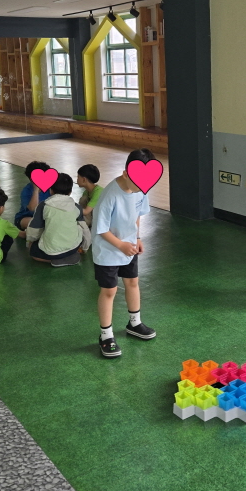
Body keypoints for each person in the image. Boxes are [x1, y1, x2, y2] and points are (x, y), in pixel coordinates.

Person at [92, 148, 157, 358]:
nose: (141, 188)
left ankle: (134, 323)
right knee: (109, 291)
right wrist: (121, 245)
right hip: (107, 249)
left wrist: (137, 238)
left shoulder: (141, 189)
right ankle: (106, 335)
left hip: (128, 246)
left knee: (132, 282)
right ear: (126, 173)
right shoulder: (110, 195)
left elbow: (137, 215)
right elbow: (101, 229)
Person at [26, 172, 91, 266]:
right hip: (73, 248)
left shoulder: (43, 206)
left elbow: (34, 231)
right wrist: (85, 248)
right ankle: (69, 257)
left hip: (51, 251)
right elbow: (85, 230)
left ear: (51, 190)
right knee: (78, 226)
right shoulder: (76, 207)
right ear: (70, 192)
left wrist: (30, 241)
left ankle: (54, 261)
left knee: (32, 250)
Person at [10, 161, 51, 231]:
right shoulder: (26, 191)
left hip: (46, 217)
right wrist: (36, 190)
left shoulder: (51, 188)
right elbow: (33, 209)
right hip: (27, 217)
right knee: (34, 222)